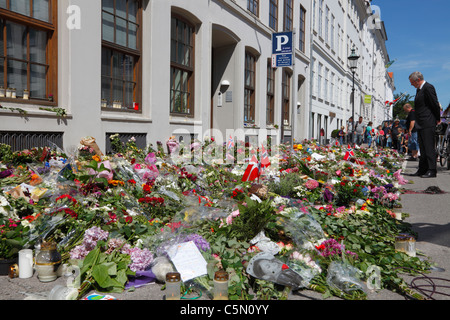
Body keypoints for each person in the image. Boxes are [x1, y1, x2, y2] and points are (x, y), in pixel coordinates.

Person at [408, 71, 441, 178]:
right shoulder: (419, 89)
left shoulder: (428, 87)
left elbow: (434, 104)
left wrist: (437, 118)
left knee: (429, 147)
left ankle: (432, 170)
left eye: (412, 82)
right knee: (422, 148)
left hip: (428, 121)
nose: (411, 84)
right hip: (421, 122)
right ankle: (422, 169)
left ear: (418, 80)